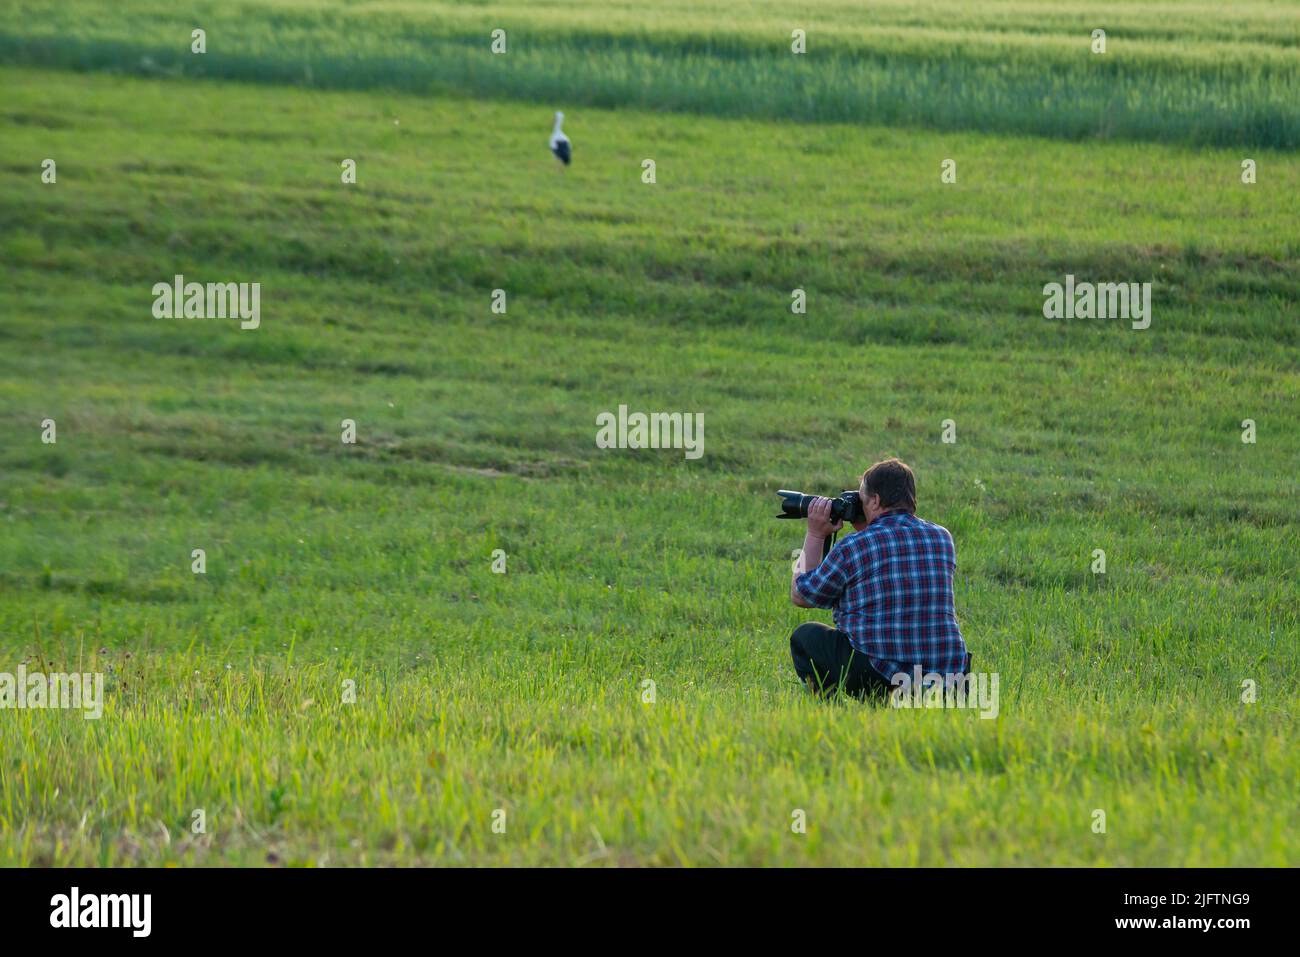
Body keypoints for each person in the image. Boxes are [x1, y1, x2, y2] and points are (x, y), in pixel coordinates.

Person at [789, 457, 969, 698]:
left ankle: (833, 715)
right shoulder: (942, 538)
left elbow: (802, 595)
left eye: (862, 498)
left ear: (875, 500)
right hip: (948, 677)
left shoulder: (854, 546)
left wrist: (814, 535)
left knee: (805, 637)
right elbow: (888, 550)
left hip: (883, 676)